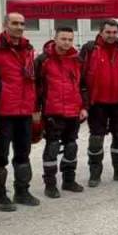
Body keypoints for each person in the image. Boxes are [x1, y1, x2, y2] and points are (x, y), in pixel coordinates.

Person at [0, 13, 40, 209]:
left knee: (23, 154)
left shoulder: (28, 48)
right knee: (0, 156)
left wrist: (35, 109)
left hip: (24, 112)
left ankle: (22, 191)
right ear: (5, 25)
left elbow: (32, 81)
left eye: (22, 24)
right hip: (3, 113)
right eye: (15, 23)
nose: (19, 27)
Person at [80, 19, 118, 186]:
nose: (112, 35)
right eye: (108, 32)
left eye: (115, 32)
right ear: (101, 32)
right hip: (97, 103)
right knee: (96, 139)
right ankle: (95, 174)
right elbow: (80, 78)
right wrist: (83, 103)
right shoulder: (89, 49)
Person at [35, 26, 87, 198]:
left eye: (70, 39)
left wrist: (83, 107)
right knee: (52, 147)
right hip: (52, 112)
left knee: (71, 146)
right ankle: (50, 184)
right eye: (63, 39)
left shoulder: (77, 60)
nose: (67, 42)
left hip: (73, 111)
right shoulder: (43, 60)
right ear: (55, 39)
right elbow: (36, 87)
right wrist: (36, 110)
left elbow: (83, 86)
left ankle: (69, 180)